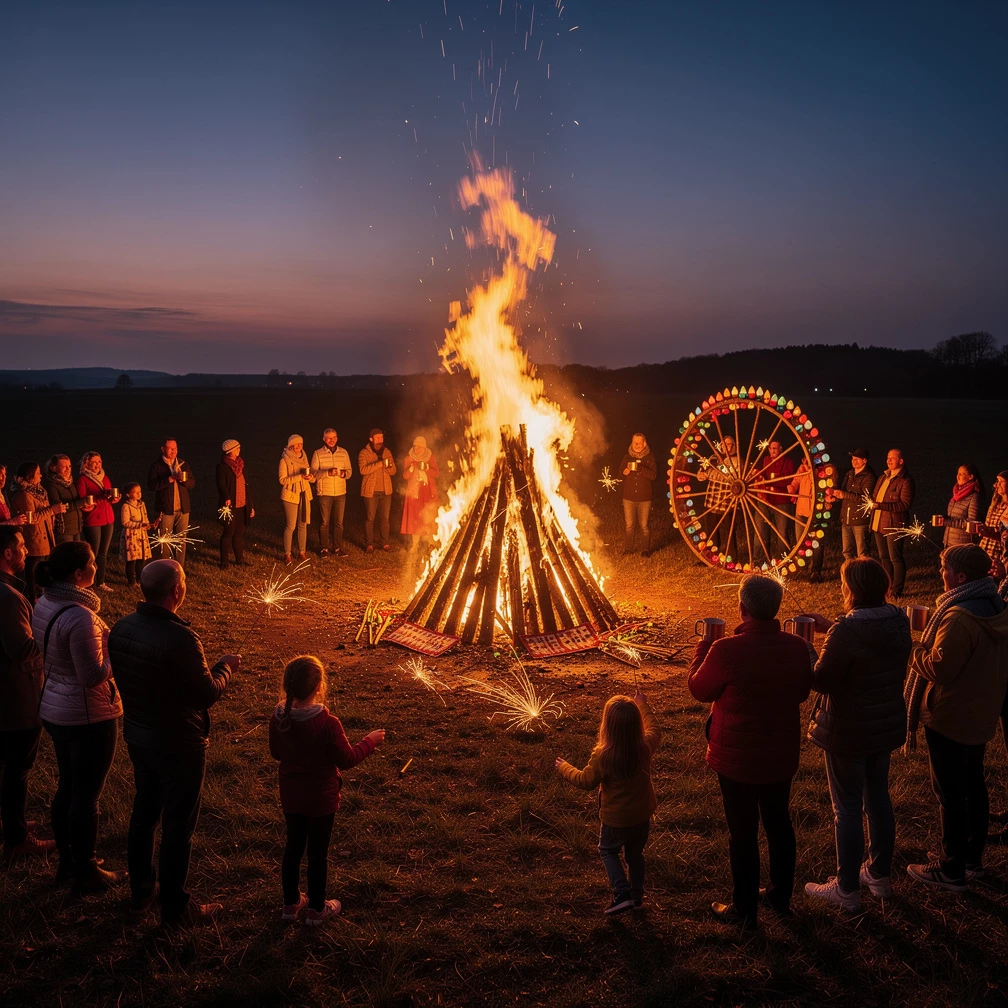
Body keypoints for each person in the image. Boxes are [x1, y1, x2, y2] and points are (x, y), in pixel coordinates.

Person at [109, 559, 238, 927]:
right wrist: (225, 666)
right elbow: (205, 694)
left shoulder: (121, 627)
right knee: (178, 826)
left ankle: (141, 890)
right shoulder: (181, 638)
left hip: (138, 735)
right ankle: (175, 908)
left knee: (145, 813)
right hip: (179, 743)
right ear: (177, 591)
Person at [688, 574, 813, 929]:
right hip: (779, 753)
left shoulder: (725, 650)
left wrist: (702, 650)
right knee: (778, 822)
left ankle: (744, 910)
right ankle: (779, 895)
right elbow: (803, 692)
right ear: (776, 608)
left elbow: (700, 689)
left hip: (737, 758)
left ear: (742, 608)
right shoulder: (795, 647)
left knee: (742, 831)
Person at [803, 558, 911, 911]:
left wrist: (807, 647)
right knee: (877, 799)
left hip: (848, 730)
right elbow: (869, 645)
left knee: (847, 807)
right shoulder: (898, 621)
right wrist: (833, 627)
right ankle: (878, 874)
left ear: (853, 589)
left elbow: (822, 679)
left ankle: (847, 888)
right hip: (884, 725)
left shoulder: (846, 632)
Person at [904, 544, 1008, 890]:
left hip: (951, 715)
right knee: (974, 785)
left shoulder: (960, 617)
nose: (940, 574)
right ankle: (972, 860)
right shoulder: (996, 606)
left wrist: (915, 649)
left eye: (943, 568)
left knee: (950, 793)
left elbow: (941, 668)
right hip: (980, 711)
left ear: (960, 576)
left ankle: (950, 869)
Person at [32, 541, 126, 895]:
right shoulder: (80, 616)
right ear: (78, 574)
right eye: (92, 564)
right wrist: (115, 649)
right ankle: (86, 870)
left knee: (68, 785)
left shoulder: (45, 601)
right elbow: (92, 675)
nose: (96, 568)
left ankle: (68, 862)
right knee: (86, 794)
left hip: (55, 706)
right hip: (85, 715)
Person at [269, 655, 384, 925]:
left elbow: (276, 753)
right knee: (318, 853)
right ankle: (317, 910)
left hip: (292, 797)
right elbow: (347, 759)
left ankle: (290, 904)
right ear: (319, 686)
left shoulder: (279, 719)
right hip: (321, 801)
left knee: (293, 848)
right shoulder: (328, 723)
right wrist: (370, 741)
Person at [555, 691, 661, 915]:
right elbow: (655, 730)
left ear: (607, 725)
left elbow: (585, 781)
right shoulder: (645, 746)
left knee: (607, 851)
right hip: (642, 816)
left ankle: (622, 893)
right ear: (636, 724)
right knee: (635, 856)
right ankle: (636, 897)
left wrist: (564, 767)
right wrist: (643, 705)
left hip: (616, 820)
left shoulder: (604, 756)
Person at [0, 526, 53, 860]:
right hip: (16, 696)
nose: (25, 549)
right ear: (7, 553)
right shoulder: (7, 598)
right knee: (17, 767)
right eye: (20, 545)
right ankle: (16, 840)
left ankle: (11, 822)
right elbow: (21, 649)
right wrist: (48, 635)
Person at [10, 462, 67, 598]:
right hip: (33, 541)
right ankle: (32, 600)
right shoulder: (24, 495)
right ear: (29, 476)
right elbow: (31, 518)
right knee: (33, 575)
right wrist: (52, 510)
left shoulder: (38, 491)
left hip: (44, 538)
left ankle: (41, 598)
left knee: (41, 574)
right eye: (37, 473)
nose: (41, 475)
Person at [868, 448, 915, 599]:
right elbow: (875, 496)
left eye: (892, 458)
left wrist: (881, 506)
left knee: (895, 557)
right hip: (879, 523)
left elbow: (904, 504)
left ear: (901, 461)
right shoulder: (884, 477)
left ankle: (897, 590)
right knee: (884, 557)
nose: (888, 461)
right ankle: (887, 587)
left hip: (894, 525)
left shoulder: (906, 480)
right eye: (888, 458)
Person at [148, 439, 195, 565]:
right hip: (166, 509)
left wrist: (183, 480)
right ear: (163, 449)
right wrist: (168, 479)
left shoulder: (182, 464)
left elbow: (192, 483)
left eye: (175, 448)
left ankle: (179, 568)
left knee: (181, 541)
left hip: (183, 509)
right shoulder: (157, 466)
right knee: (166, 540)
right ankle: (165, 567)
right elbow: (152, 485)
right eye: (170, 448)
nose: (173, 451)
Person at [77, 451, 120, 590]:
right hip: (93, 520)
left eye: (99, 462)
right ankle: (88, 582)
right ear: (87, 464)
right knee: (93, 553)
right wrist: (100, 498)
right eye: (94, 462)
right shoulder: (82, 480)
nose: (97, 465)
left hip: (108, 519)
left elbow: (108, 496)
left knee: (103, 553)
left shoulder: (104, 477)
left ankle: (101, 582)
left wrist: (114, 498)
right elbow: (83, 501)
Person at [697, 436, 741, 562]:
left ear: (734, 446)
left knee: (729, 533)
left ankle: (732, 559)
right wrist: (703, 474)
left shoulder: (737, 461)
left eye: (729, 444)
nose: (726, 447)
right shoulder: (714, 458)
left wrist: (710, 474)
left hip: (726, 503)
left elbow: (729, 477)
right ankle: (711, 558)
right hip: (711, 501)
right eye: (724, 444)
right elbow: (701, 475)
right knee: (711, 533)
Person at [310, 429, 352, 558]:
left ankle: (338, 548)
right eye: (328, 438)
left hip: (340, 492)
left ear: (337, 438)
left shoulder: (343, 452)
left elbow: (349, 471)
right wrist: (327, 473)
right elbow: (314, 473)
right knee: (324, 522)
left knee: (339, 522)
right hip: (325, 492)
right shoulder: (317, 453)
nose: (331, 440)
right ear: (323, 439)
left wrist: (343, 473)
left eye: (333, 437)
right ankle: (324, 548)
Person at [829, 449, 876, 562]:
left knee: (862, 553)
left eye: (857, 459)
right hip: (846, 519)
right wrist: (834, 496)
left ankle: (863, 576)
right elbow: (843, 492)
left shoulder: (869, 477)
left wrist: (843, 494)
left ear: (864, 461)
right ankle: (850, 575)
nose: (853, 461)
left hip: (860, 521)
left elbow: (865, 499)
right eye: (852, 459)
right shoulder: (849, 474)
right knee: (846, 552)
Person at [216, 439, 255, 568]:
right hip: (230, 506)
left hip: (242, 504)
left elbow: (247, 486)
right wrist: (226, 497)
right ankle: (224, 561)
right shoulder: (222, 467)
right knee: (228, 532)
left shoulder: (241, 465)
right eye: (237, 448)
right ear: (230, 450)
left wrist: (251, 506)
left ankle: (240, 559)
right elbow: (221, 484)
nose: (239, 450)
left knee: (239, 533)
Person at [753, 439, 796, 555]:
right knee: (760, 530)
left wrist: (772, 483)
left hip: (781, 502)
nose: (773, 450)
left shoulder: (788, 462)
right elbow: (760, 474)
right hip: (765, 500)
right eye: (771, 448)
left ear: (781, 449)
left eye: (776, 448)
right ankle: (759, 560)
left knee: (782, 532)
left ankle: (784, 560)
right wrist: (758, 476)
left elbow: (789, 480)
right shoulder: (765, 460)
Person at [279, 435, 315, 564]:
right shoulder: (285, 460)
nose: (299, 446)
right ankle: (287, 554)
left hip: (304, 494)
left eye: (301, 444)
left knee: (303, 524)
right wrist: (299, 477)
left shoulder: (304, 459)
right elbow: (282, 480)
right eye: (296, 444)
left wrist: (310, 477)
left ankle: (302, 552)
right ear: (290, 446)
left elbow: (311, 478)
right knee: (291, 526)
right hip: (291, 495)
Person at [358, 428, 396, 552]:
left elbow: (393, 471)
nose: (380, 439)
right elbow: (363, 470)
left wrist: (388, 466)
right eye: (377, 437)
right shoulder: (364, 452)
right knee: (370, 519)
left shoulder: (387, 451)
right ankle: (369, 544)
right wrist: (380, 464)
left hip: (386, 491)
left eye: (381, 437)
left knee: (385, 519)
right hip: (371, 491)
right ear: (371, 439)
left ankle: (384, 543)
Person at [619, 433, 657, 556]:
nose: (637, 445)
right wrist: (625, 472)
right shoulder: (627, 457)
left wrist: (640, 468)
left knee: (644, 525)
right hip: (629, 497)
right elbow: (620, 474)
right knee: (629, 525)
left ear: (644, 443)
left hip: (645, 497)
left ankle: (645, 550)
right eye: (635, 442)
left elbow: (653, 475)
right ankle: (628, 549)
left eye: (639, 443)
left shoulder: (650, 457)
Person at [43, 454, 92, 544]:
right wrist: (81, 502)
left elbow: (75, 502)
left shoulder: (69, 482)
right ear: (53, 468)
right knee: (67, 556)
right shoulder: (51, 485)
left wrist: (85, 506)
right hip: (64, 530)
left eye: (69, 466)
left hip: (76, 527)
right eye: (64, 466)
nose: (68, 469)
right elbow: (59, 508)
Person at [400, 436, 439, 547]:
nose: (417, 449)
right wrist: (410, 470)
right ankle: (415, 545)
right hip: (414, 493)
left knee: (427, 516)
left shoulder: (431, 458)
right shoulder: (409, 458)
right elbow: (405, 476)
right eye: (415, 447)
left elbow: (436, 473)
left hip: (428, 491)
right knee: (414, 518)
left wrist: (427, 468)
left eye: (419, 447)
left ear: (424, 448)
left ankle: (428, 543)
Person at [936, 464, 983, 547]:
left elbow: (972, 523)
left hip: (962, 544)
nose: (958, 476)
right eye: (958, 473)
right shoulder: (956, 494)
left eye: (962, 474)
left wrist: (947, 522)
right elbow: (954, 515)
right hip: (949, 541)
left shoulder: (974, 497)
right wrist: (944, 518)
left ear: (971, 477)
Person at [119, 483, 154, 587]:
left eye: (140, 491)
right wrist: (139, 524)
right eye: (135, 492)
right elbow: (125, 522)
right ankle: (131, 581)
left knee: (141, 558)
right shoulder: (126, 506)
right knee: (131, 559)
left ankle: (140, 579)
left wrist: (147, 525)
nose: (139, 494)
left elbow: (145, 516)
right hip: (131, 536)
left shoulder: (142, 504)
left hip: (141, 535)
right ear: (128, 494)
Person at [979, 471, 1008, 562]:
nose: (996, 485)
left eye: (1001, 481)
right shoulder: (996, 503)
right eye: (997, 481)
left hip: (1000, 554)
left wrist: (991, 533)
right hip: (986, 548)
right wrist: (986, 530)